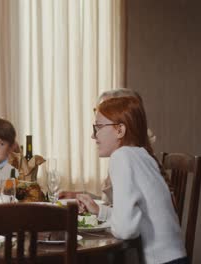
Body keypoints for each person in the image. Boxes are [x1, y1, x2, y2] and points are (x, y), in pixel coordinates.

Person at [76, 96, 186, 264]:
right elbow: (138, 217)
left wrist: (115, 223)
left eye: (98, 127)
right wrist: (100, 211)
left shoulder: (121, 157)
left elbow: (126, 230)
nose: (93, 135)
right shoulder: (143, 155)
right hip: (175, 257)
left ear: (120, 130)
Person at [60, 88, 156, 204]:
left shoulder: (135, 162)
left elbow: (126, 215)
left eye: (107, 108)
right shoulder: (129, 156)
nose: (93, 135)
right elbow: (117, 205)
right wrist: (82, 196)